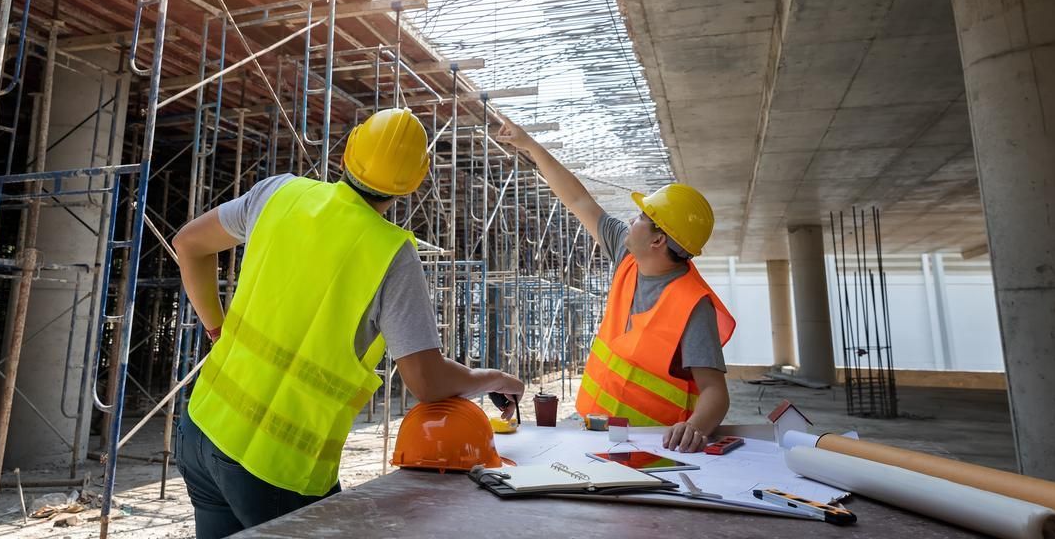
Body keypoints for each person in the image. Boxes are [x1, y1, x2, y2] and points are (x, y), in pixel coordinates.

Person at [174, 107, 524, 538]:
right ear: (414, 183)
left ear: (347, 152)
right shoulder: (391, 254)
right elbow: (428, 382)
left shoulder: (278, 194)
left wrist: (216, 328)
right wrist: (496, 379)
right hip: (277, 467)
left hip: (201, 425)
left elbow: (188, 244)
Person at [496, 118, 734, 453]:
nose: (631, 220)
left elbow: (716, 393)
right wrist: (530, 146)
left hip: (652, 448)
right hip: (592, 432)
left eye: (641, 217)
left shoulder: (693, 305)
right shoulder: (627, 256)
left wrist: (693, 429)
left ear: (658, 240)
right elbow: (579, 200)